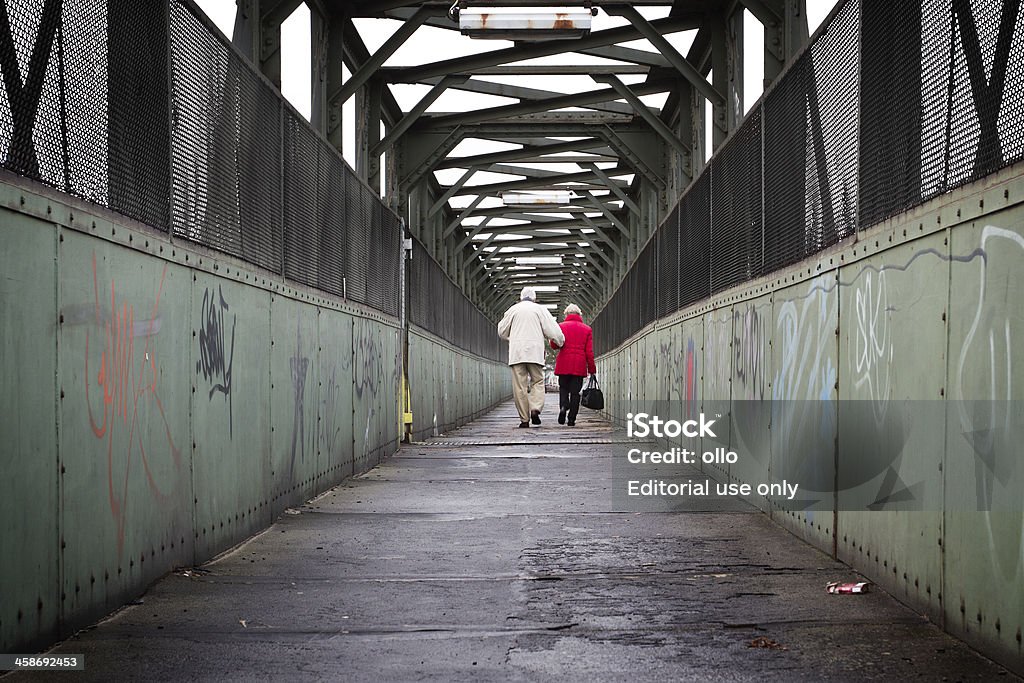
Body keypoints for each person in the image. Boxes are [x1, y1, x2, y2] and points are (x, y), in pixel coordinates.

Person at [497, 287, 565, 428]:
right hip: (535, 352)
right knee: (538, 381)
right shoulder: (540, 310)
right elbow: (551, 329)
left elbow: (501, 331)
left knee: (519, 387)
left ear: (520, 298)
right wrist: (560, 341)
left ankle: (524, 419)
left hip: (517, 353)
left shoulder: (513, 310)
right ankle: (535, 408)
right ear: (534, 298)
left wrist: (512, 338)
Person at [550, 303, 596, 427]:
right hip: (579, 366)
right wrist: (592, 368)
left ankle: (564, 406)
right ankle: (571, 419)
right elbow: (589, 352)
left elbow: (554, 345)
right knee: (575, 393)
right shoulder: (587, 329)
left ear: (566, 314)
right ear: (579, 315)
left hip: (564, 364)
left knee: (563, 389)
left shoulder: (560, 327)